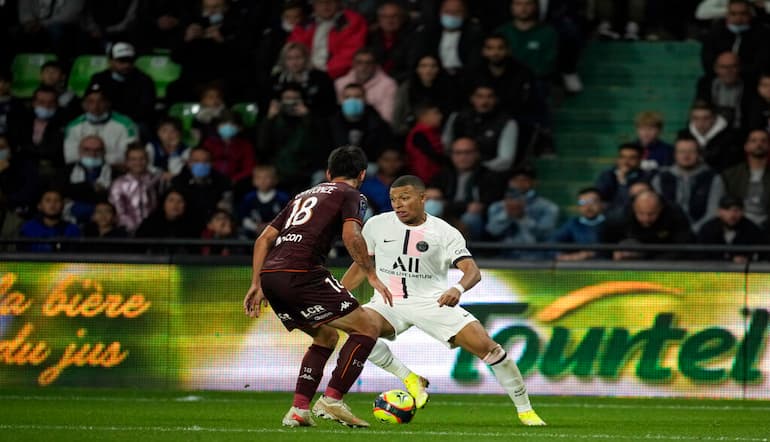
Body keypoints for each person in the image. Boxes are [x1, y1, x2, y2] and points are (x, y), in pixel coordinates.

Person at [340, 174, 547, 426]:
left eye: (405, 198)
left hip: (432, 303)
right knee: (355, 330)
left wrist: (458, 288)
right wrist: (338, 295)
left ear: (422, 198)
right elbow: (362, 265)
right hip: (388, 302)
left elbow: (473, 272)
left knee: (489, 348)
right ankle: (409, 379)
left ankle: (525, 410)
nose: (398, 204)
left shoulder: (444, 232)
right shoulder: (376, 225)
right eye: (393, 199)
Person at [242, 145, 394, 428]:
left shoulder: (302, 195)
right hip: (303, 273)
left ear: (328, 173)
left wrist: (256, 282)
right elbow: (351, 233)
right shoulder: (351, 194)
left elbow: (263, 239)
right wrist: (370, 273)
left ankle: (299, 410)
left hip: (272, 276)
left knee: (325, 337)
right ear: (362, 175)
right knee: (367, 327)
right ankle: (332, 399)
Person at [258, 83, 329, 194]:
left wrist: (307, 117)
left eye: (295, 99)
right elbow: (262, 146)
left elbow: (318, 146)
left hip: (305, 175)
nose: (291, 102)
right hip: (278, 176)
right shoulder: (272, 121)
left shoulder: (312, 120)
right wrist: (269, 119)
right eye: (287, 98)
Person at [430, 137, 506, 240]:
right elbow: (433, 195)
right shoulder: (443, 174)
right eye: (458, 153)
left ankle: (471, 251)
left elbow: (483, 206)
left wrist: (448, 205)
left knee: (471, 217)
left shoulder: (490, 176)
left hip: (475, 221)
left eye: (468, 153)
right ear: (451, 155)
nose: (463, 157)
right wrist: (464, 206)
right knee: (431, 206)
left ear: (477, 154)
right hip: (448, 215)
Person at [651, 137, 724, 233]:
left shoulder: (713, 178)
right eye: (681, 152)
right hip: (667, 234)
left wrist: (693, 231)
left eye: (691, 151)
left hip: (702, 235)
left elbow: (714, 212)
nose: (686, 156)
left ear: (699, 154)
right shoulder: (660, 178)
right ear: (675, 154)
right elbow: (655, 210)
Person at [442, 84, 519, 173]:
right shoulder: (457, 117)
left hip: (489, 174)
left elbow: (506, 160)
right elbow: (445, 145)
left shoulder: (507, 122)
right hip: (455, 171)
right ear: (472, 98)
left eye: (489, 97)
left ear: (496, 100)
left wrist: (478, 170)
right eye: (479, 96)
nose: (484, 101)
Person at [601, 190, 694, 260]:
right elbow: (605, 247)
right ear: (634, 208)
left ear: (660, 208)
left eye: (651, 214)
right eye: (641, 213)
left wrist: (648, 259)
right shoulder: (618, 218)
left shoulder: (675, 215)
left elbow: (683, 247)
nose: (646, 219)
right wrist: (615, 253)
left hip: (665, 265)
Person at [485, 167, 559, 255]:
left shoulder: (549, 207)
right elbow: (492, 232)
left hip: (536, 255)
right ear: (509, 182)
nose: (519, 184)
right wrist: (507, 215)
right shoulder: (497, 207)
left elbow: (546, 235)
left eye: (524, 180)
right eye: (515, 180)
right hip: (502, 255)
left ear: (534, 183)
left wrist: (523, 218)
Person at [287, 0, 368, 79]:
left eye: (330, 1)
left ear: (338, 2)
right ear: (313, 5)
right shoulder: (305, 24)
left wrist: (324, 73)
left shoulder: (352, 21)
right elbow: (294, 49)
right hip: (306, 73)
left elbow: (350, 54)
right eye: (320, 2)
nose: (325, 5)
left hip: (338, 75)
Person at [87, 42, 156, 133]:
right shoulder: (99, 78)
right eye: (121, 61)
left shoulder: (144, 80)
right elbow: (88, 102)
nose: (126, 65)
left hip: (132, 121)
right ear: (111, 61)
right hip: (103, 118)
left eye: (130, 61)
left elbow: (145, 109)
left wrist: (120, 122)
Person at [63, 83, 138, 167]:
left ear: (108, 103)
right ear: (84, 104)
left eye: (101, 101)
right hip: (80, 171)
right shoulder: (73, 126)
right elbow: (71, 157)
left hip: (116, 172)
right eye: (91, 101)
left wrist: (92, 158)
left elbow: (128, 157)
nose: (96, 106)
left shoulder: (126, 124)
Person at [392, 54, 459, 136]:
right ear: (417, 69)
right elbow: (397, 119)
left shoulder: (447, 88)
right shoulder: (407, 89)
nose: (428, 70)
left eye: (433, 66)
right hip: (410, 133)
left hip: (440, 133)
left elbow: (450, 116)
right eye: (423, 66)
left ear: (439, 69)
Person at [700, 0, 770, 79]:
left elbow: (762, 64)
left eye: (743, 14)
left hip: (750, 81)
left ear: (750, 15)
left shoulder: (763, 35)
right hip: (719, 80)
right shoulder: (715, 34)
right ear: (727, 15)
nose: (738, 18)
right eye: (733, 14)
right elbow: (708, 62)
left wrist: (736, 73)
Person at [496, 0, 558, 87]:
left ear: (535, 6)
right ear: (511, 7)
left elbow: (548, 64)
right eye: (518, 4)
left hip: (536, 81)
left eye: (528, 4)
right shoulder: (501, 32)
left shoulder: (548, 33)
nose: (523, 8)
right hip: (505, 81)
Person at [328, 83, 394, 164]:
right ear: (341, 100)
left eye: (357, 97)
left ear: (365, 99)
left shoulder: (378, 124)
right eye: (347, 97)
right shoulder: (329, 124)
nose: (352, 101)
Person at [268, 41, 338, 117]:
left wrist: (309, 113)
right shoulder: (276, 79)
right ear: (284, 60)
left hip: (314, 122)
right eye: (289, 58)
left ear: (306, 58)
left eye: (298, 57)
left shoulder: (321, 78)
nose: (294, 62)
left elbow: (330, 108)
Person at [170, 147, 232, 232]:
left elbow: (225, 209)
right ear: (189, 163)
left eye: (205, 161)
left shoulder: (223, 182)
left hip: (212, 230)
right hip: (183, 228)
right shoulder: (178, 182)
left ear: (212, 163)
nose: (201, 164)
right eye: (196, 161)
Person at [60, 135, 116, 224]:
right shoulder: (66, 170)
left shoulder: (115, 172)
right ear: (79, 151)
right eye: (87, 149)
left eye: (97, 150)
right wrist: (91, 187)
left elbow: (111, 197)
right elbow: (61, 192)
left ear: (104, 152)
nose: (92, 154)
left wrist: (77, 191)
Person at [334, 48, 398, 125]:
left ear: (375, 65)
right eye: (359, 62)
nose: (364, 67)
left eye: (368, 63)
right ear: (353, 64)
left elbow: (387, 119)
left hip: (374, 129)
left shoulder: (388, 85)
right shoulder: (340, 83)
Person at [721, 129, 770, 229]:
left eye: (763, 141)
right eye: (753, 141)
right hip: (737, 223)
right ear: (746, 146)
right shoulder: (731, 174)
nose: (759, 144)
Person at [697, 195, 767, 262]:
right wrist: (729, 259)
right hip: (711, 271)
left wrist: (748, 259)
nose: (732, 214)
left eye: (737, 210)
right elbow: (701, 256)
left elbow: (762, 255)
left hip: (743, 272)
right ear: (719, 211)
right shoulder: (708, 229)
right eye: (727, 209)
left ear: (743, 212)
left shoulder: (752, 230)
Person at [677, 100, 742, 172]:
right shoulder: (684, 135)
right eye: (696, 118)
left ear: (714, 118)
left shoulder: (729, 138)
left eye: (705, 118)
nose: (700, 123)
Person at [109, 144, 161, 233]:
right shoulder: (119, 184)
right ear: (127, 162)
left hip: (154, 230)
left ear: (147, 160)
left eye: (142, 159)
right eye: (133, 159)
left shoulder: (156, 180)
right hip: (127, 232)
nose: (138, 163)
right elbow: (119, 211)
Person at [695, 51, 752, 129]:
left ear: (739, 68)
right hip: (712, 130)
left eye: (733, 66)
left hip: (740, 131)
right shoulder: (706, 85)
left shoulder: (749, 87)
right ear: (716, 68)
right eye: (723, 67)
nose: (728, 71)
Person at [367, 0, 418, 83]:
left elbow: (411, 68)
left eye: (394, 16)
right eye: (384, 16)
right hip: (373, 80)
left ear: (402, 18)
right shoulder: (371, 37)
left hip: (401, 81)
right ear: (379, 19)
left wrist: (389, 81)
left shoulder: (412, 38)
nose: (389, 20)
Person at [550, 187, 606, 261]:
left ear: (602, 204)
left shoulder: (611, 223)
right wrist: (567, 257)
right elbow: (552, 244)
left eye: (592, 202)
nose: (588, 207)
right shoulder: (573, 224)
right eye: (582, 203)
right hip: (580, 267)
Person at [238, 165, 290, 239]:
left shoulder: (282, 198)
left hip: (276, 233)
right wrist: (255, 227)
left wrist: (269, 227)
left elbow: (287, 217)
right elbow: (244, 217)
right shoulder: (249, 198)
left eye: (266, 178)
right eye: (259, 178)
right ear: (254, 181)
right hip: (253, 232)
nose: (263, 181)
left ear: (275, 180)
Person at [595, 143, 648, 211]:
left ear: (640, 160)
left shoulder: (646, 177)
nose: (626, 161)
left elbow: (628, 205)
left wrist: (622, 182)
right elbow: (599, 199)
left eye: (632, 158)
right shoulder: (607, 175)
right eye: (623, 157)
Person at [405, 102, 445, 184]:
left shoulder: (433, 132)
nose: (440, 116)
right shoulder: (418, 134)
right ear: (423, 116)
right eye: (436, 113)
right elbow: (433, 155)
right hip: (425, 180)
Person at [360, 147, 405, 214]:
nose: (391, 164)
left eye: (396, 160)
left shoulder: (407, 184)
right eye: (386, 160)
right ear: (378, 161)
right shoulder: (367, 184)